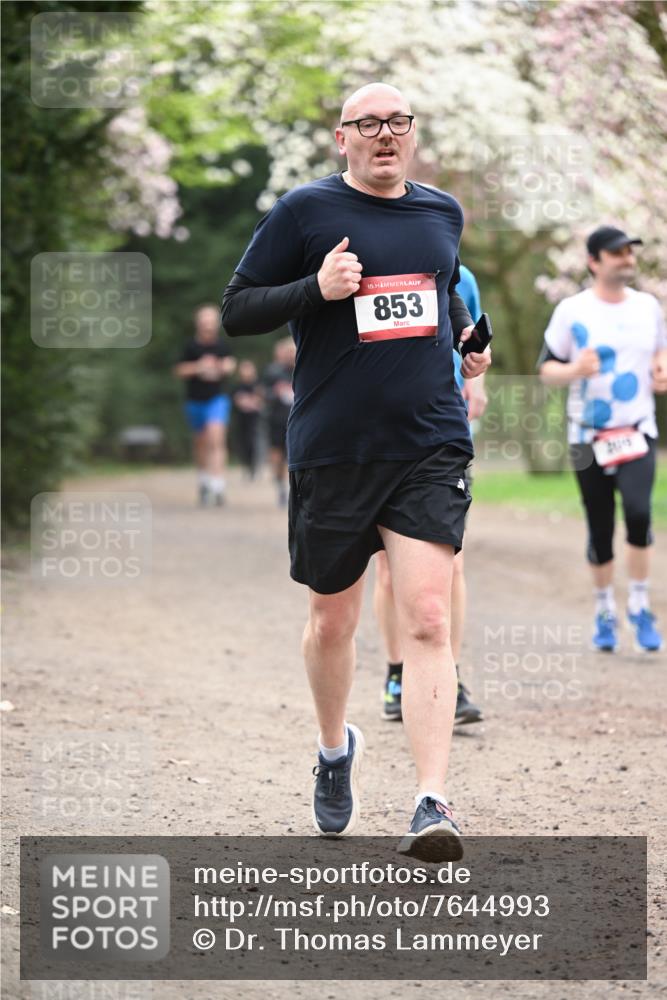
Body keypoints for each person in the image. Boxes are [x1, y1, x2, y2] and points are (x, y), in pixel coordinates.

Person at [221, 83, 491, 861]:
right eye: (367, 124)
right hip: (334, 447)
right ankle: (335, 748)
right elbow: (239, 307)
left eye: (397, 123)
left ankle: (431, 801)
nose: (384, 135)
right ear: (341, 138)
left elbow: (437, 304)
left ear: (412, 135)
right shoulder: (305, 213)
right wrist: (316, 289)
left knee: (430, 617)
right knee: (331, 623)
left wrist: (466, 346)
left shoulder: (441, 212)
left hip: (427, 443)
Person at [539, 225, 667, 653]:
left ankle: (638, 603)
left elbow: (660, 352)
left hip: (636, 431)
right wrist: (575, 370)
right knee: (599, 527)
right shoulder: (572, 311)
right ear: (594, 261)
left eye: (631, 251)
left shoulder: (649, 306)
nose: (627, 258)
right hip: (587, 435)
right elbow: (546, 369)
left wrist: (661, 369)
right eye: (617, 252)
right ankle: (604, 610)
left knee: (638, 513)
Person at [375, 263, 486, 725]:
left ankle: (450, 678)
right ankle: (398, 672)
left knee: (450, 565)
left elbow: (475, 340)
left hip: (442, 433)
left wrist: (476, 383)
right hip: (380, 432)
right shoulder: (375, 270)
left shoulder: (461, 278)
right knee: (387, 569)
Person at [174, 304, 237, 506]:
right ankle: (203, 481)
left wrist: (223, 366)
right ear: (198, 323)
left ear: (216, 324)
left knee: (216, 438)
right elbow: (179, 371)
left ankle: (218, 486)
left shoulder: (222, 346)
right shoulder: (190, 347)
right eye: (204, 321)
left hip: (217, 399)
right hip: (194, 400)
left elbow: (230, 365)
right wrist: (198, 367)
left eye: (211, 321)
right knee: (200, 442)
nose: (207, 325)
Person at [262, 338, 296, 506]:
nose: (291, 355)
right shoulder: (273, 372)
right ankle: (280, 487)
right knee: (277, 455)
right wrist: (274, 393)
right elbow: (263, 394)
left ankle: (294, 489)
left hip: (296, 421)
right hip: (276, 420)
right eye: (288, 352)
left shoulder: (304, 370)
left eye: (293, 351)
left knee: (294, 456)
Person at [231, 359, 264, 479]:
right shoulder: (237, 385)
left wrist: (252, 402)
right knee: (242, 444)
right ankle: (246, 466)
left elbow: (261, 400)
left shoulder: (258, 384)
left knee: (254, 443)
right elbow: (235, 400)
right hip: (241, 419)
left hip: (255, 419)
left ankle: (255, 467)